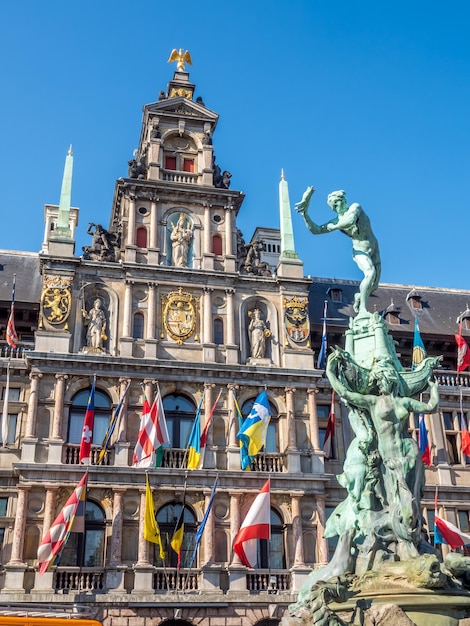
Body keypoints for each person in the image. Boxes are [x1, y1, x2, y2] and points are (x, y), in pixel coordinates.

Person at [295, 187, 381, 314]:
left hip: (373, 246)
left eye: (337, 202)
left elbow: (350, 220)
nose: (337, 207)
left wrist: (335, 226)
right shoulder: (336, 221)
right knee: (370, 273)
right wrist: (305, 214)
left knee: (374, 285)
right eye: (333, 206)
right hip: (359, 249)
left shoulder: (355, 207)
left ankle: (359, 296)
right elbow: (316, 230)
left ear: (343, 200)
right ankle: (363, 309)